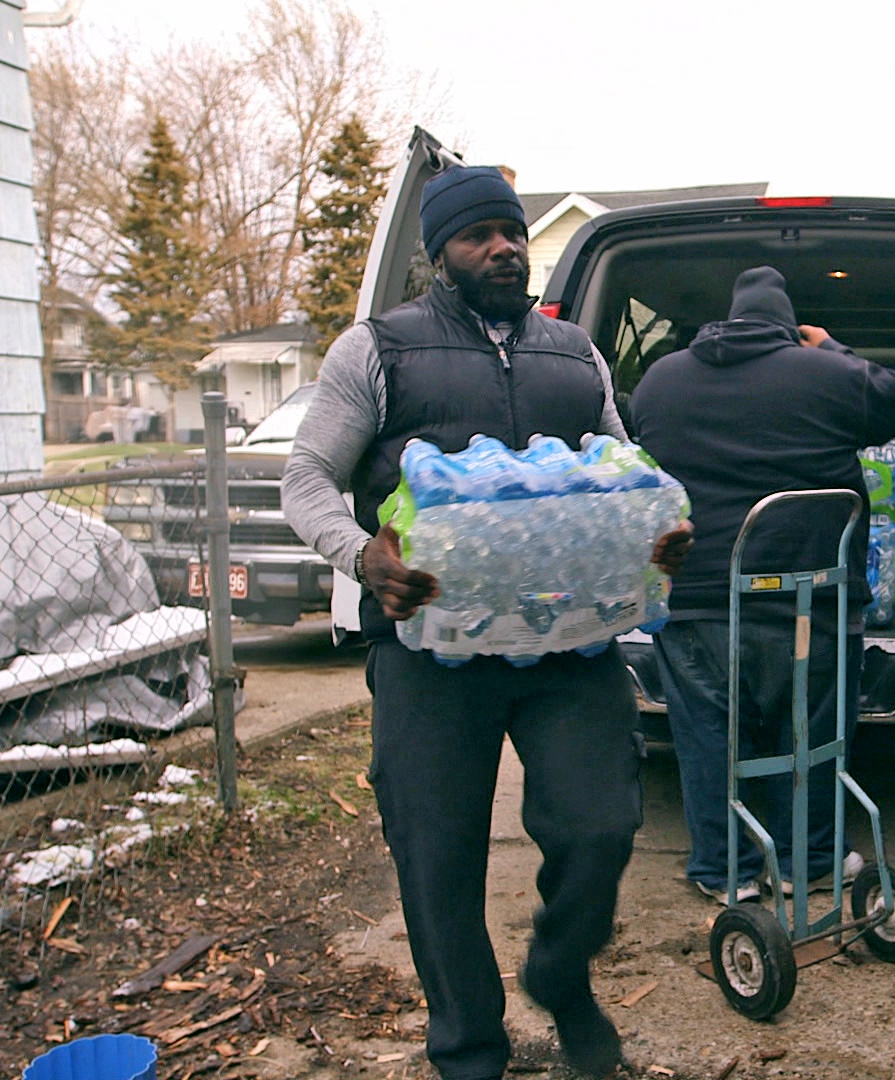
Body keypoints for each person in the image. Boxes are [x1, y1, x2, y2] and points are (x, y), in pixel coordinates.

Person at [281, 165, 684, 1080]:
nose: (504, 246)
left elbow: (627, 475)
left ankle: (561, 971)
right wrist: (361, 556)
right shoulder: (377, 350)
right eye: (479, 235)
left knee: (601, 824)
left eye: (512, 231)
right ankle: (468, 1049)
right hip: (428, 646)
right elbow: (305, 480)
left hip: (564, 643)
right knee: (436, 854)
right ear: (440, 256)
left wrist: (660, 535)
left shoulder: (575, 354)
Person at [628, 267, 895, 904]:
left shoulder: (660, 380)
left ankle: (721, 872)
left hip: (697, 599)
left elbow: (637, 455)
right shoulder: (827, 374)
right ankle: (804, 863)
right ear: (787, 326)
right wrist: (830, 349)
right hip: (806, 599)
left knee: (707, 739)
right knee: (808, 738)